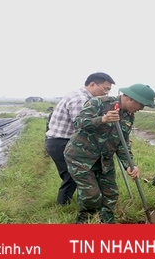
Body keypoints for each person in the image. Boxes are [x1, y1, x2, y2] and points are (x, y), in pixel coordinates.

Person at [63, 83, 155, 223]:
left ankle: (107, 223)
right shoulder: (99, 102)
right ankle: (84, 222)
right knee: (91, 195)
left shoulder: (129, 116)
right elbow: (79, 123)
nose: (141, 109)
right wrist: (103, 119)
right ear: (131, 99)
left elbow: (122, 143)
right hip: (81, 157)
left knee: (111, 194)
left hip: (104, 160)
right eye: (142, 104)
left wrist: (129, 165)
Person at [45, 72, 116, 206]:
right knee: (71, 175)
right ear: (92, 84)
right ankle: (63, 205)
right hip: (62, 142)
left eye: (108, 90)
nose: (106, 93)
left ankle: (69, 203)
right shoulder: (81, 99)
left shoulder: (84, 97)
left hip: (63, 141)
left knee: (73, 174)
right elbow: (82, 126)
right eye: (105, 89)